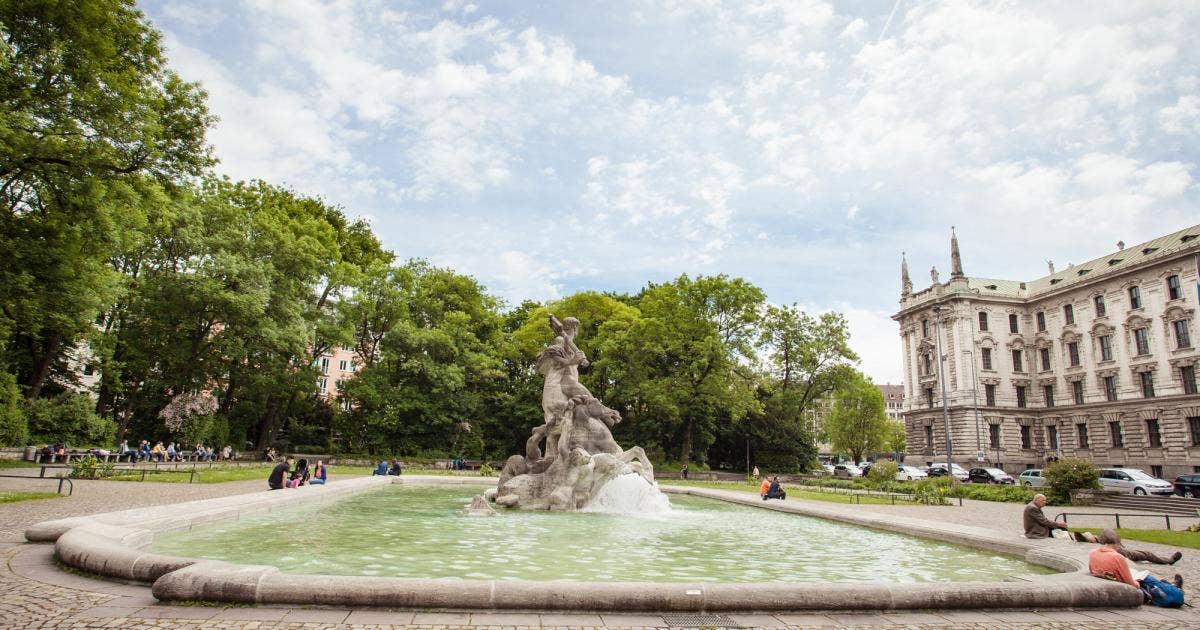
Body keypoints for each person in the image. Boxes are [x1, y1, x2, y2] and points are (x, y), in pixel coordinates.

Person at [1089, 529, 1183, 599]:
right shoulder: (1118, 557)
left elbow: (1091, 570)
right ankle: (1174, 587)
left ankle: (1170, 585)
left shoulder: (1093, 553)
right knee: (1148, 576)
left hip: (1113, 579)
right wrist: (1137, 583)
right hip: (1126, 584)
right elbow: (1132, 583)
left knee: (1145, 569)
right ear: (1117, 543)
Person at [1072, 531, 1183, 565]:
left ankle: (1168, 560)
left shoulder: (1095, 548)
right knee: (1147, 554)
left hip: (1112, 548)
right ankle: (1169, 560)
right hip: (1121, 552)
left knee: (1145, 554)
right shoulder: (1113, 549)